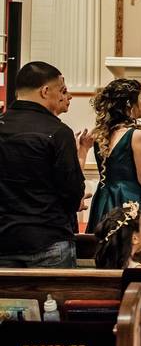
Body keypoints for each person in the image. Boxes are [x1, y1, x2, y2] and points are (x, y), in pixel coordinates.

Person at [0, 62, 86, 268]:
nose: (67, 96)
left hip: (3, 239)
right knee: (53, 301)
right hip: (48, 240)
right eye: (62, 90)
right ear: (45, 91)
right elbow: (72, 192)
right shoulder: (58, 132)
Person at [86, 79, 141, 233]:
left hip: (104, 199)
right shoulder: (137, 135)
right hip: (129, 202)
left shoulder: (99, 135)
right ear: (129, 104)